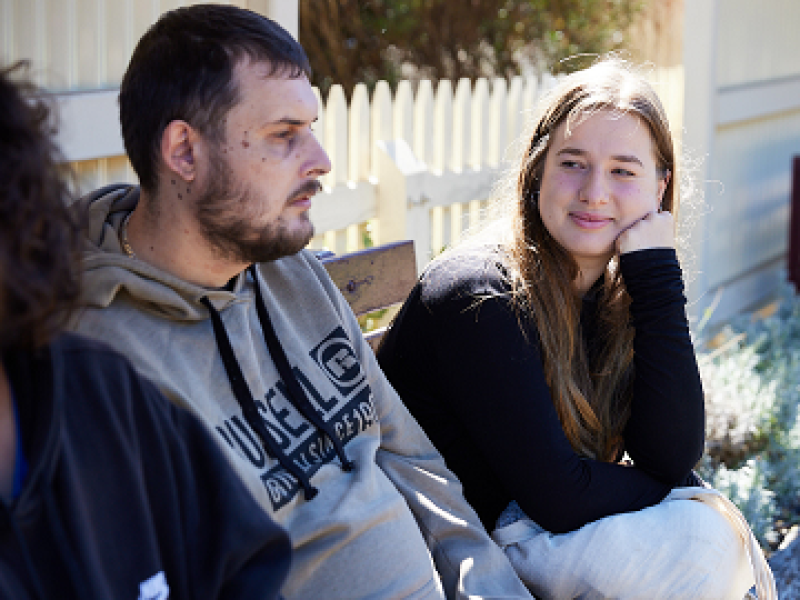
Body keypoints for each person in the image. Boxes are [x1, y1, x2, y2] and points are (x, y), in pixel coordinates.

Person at [69, 5, 532, 599]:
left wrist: (492, 588)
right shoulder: (99, 359)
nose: (320, 161)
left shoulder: (292, 273)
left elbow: (410, 459)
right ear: (184, 153)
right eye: (284, 135)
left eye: (311, 128)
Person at [377, 58, 772, 598]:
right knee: (702, 541)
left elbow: (673, 453)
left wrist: (657, 280)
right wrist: (671, 489)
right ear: (538, 169)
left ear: (661, 188)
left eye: (624, 171)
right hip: (450, 548)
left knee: (703, 539)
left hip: (525, 535)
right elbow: (560, 496)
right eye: (573, 163)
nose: (594, 192)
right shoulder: (481, 294)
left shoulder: (612, 294)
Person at [0, 62, 291, 599]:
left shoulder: (98, 391)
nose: (318, 161)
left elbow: (246, 565)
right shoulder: (110, 337)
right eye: (284, 134)